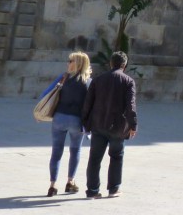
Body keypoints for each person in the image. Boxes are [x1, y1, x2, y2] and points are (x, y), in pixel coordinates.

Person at [81, 51, 137, 199]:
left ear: (111, 63)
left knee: (94, 158)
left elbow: (88, 103)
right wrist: (133, 125)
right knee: (116, 156)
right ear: (124, 65)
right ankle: (114, 189)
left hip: (98, 124)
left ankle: (92, 190)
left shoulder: (98, 80)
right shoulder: (128, 81)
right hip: (118, 127)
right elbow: (131, 106)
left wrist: (85, 122)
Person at [46, 51, 91, 196]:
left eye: (71, 61)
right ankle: (70, 182)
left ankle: (52, 185)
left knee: (56, 152)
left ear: (78, 63)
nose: (68, 63)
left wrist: (41, 112)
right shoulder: (88, 82)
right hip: (77, 120)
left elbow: (46, 93)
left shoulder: (63, 78)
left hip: (59, 117)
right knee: (75, 150)